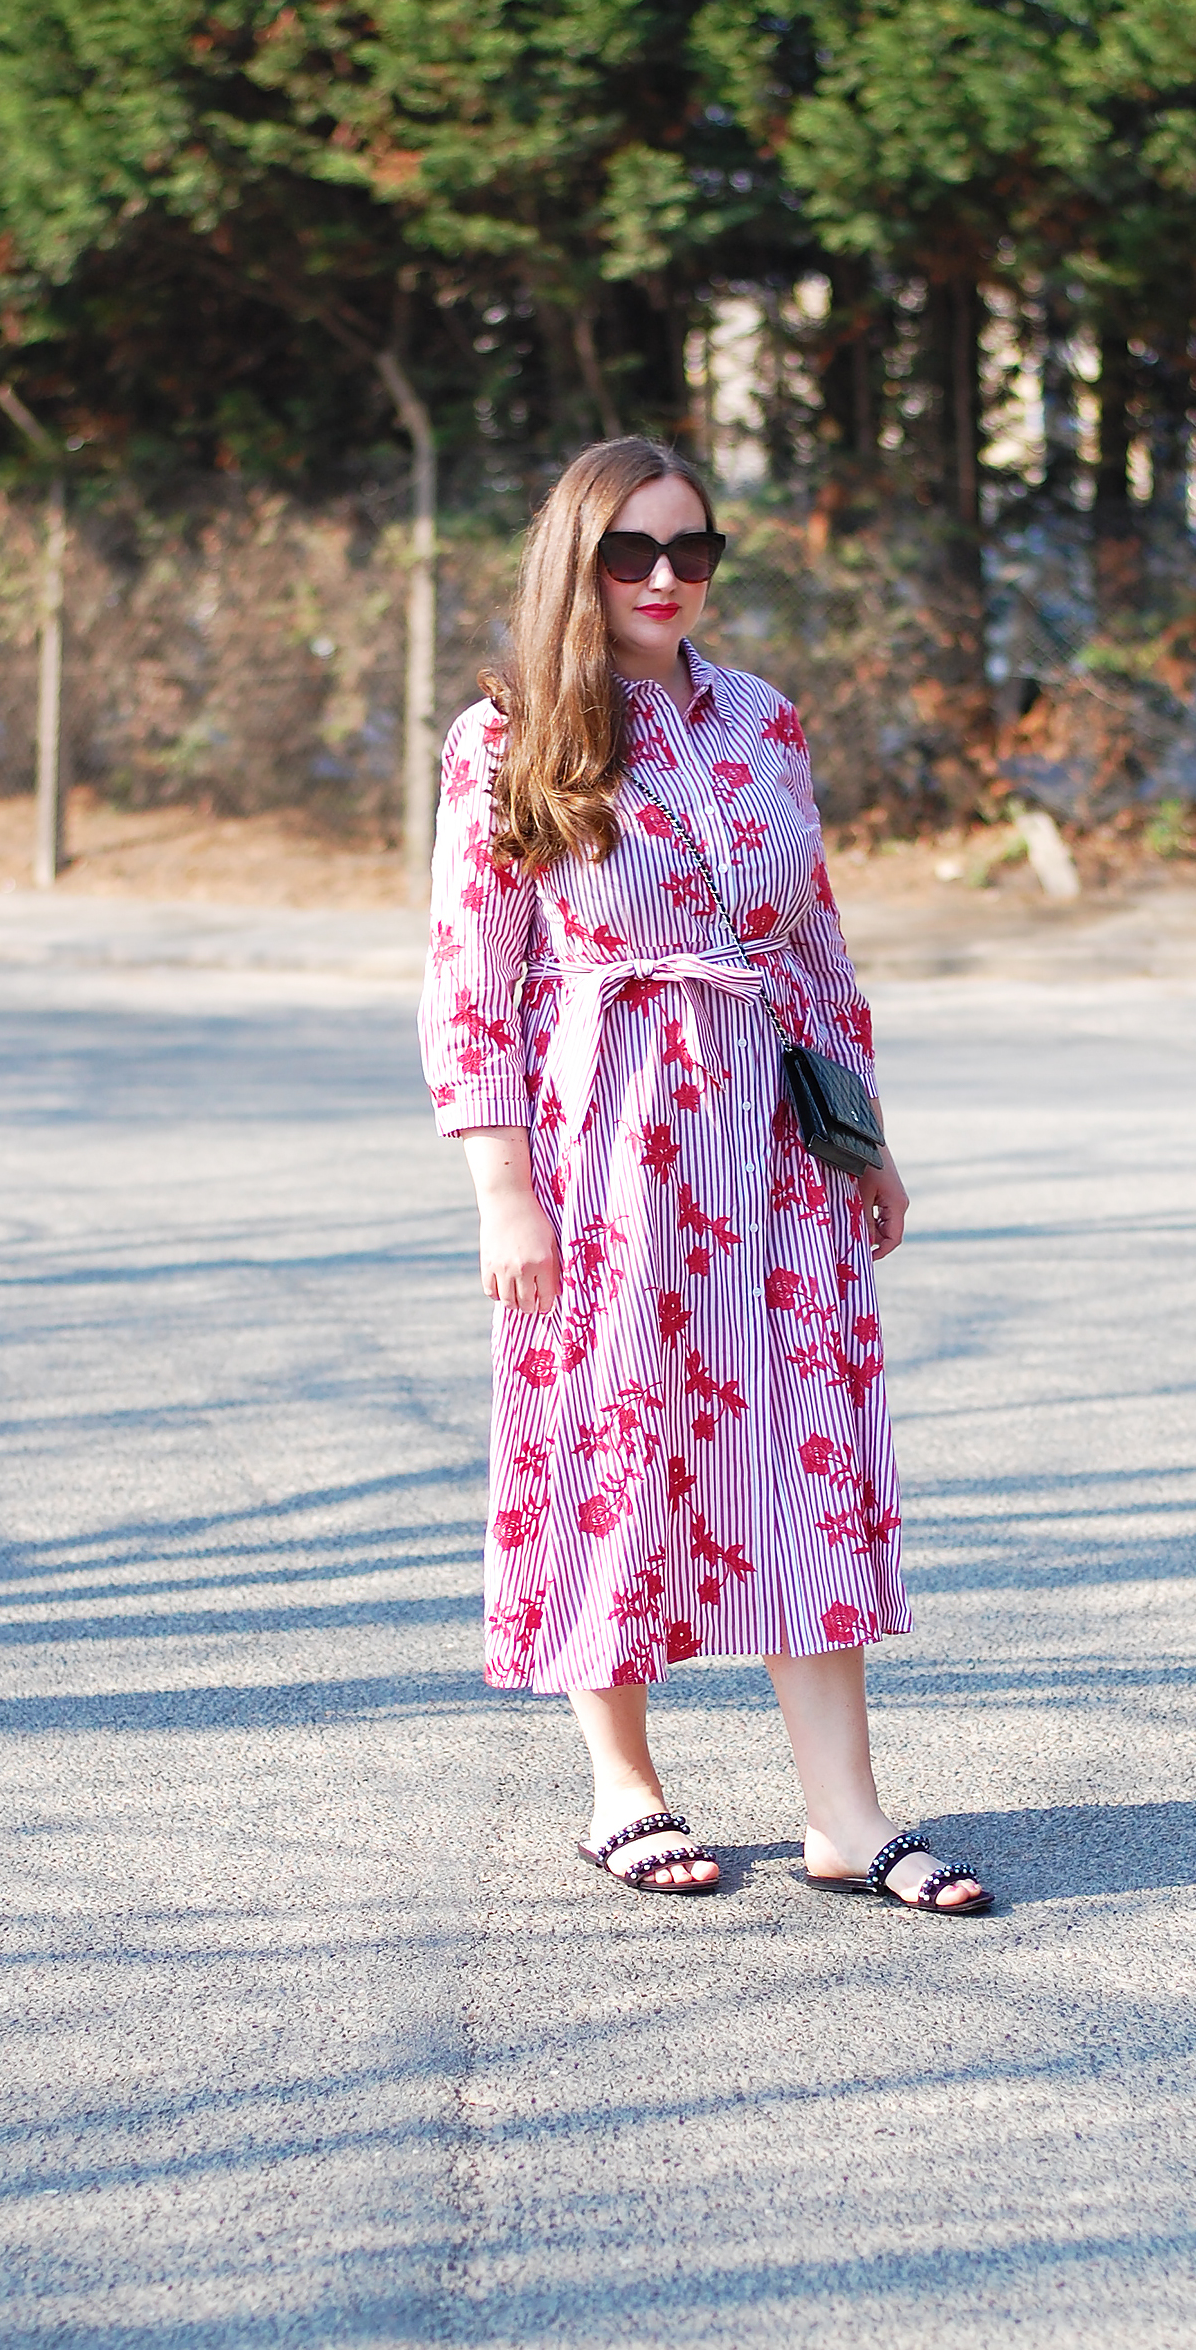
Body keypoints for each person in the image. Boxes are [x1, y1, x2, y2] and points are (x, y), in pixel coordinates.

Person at [417, 437, 991, 1915]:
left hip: (776, 1141)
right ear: (576, 562)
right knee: (614, 1441)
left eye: (692, 550)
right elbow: (472, 980)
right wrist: (502, 1190)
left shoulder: (763, 720)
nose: (665, 579)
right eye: (631, 553)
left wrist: (866, 1140)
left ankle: (845, 1816)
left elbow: (813, 947)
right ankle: (623, 1785)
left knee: (808, 1444)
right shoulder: (507, 740)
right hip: (606, 1141)